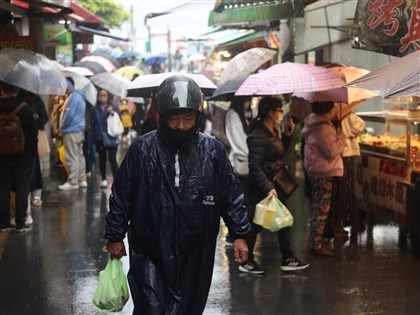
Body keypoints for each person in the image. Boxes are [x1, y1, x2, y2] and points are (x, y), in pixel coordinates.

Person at [104, 75, 250, 314]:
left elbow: (230, 196)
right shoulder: (142, 150)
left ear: (197, 117)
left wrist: (240, 234)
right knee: (151, 308)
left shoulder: (212, 152)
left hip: (196, 251)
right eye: (174, 119)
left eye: (188, 118)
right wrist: (115, 235)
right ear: (163, 117)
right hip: (150, 248)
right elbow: (122, 195)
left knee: (188, 309)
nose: (181, 126)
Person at [242, 96, 310, 274]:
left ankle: (287, 258)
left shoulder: (272, 131)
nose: (281, 113)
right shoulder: (257, 135)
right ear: (271, 112)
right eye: (279, 110)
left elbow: (277, 153)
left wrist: (286, 136)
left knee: (282, 220)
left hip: (273, 185)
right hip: (262, 187)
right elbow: (254, 166)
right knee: (255, 224)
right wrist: (268, 188)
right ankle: (246, 261)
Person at [302, 101, 346, 256]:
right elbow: (332, 151)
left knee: (317, 206)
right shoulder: (324, 128)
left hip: (315, 169)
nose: (335, 109)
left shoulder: (313, 122)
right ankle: (317, 244)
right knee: (322, 208)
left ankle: (316, 240)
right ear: (327, 109)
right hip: (323, 171)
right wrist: (341, 138)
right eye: (333, 106)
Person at [0, 81, 37, 232]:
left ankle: (3, 222)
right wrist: (32, 152)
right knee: (22, 188)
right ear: (18, 89)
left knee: (2, 188)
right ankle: (20, 222)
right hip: (23, 156)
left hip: (1, 155)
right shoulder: (25, 109)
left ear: (2, 89)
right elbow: (33, 134)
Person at [224, 96, 252, 246]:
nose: (250, 101)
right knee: (240, 200)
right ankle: (233, 235)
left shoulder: (240, 115)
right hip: (239, 163)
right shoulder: (233, 115)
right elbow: (240, 142)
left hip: (243, 162)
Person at [58, 78, 87, 190]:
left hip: (71, 131)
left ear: (69, 86)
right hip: (79, 130)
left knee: (72, 156)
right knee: (79, 156)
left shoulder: (73, 98)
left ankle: (73, 181)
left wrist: (62, 127)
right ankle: (81, 179)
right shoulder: (80, 97)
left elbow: (68, 115)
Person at [90, 88, 120, 188]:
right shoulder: (95, 109)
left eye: (104, 95)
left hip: (111, 137)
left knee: (112, 158)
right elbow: (92, 124)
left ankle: (117, 179)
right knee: (102, 159)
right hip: (100, 138)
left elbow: (119, 120)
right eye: (100, 95)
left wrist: (112, 113)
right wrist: (93, 138)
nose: (102, 97)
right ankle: (103, 179)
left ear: (108, 97)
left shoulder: (114, 107)